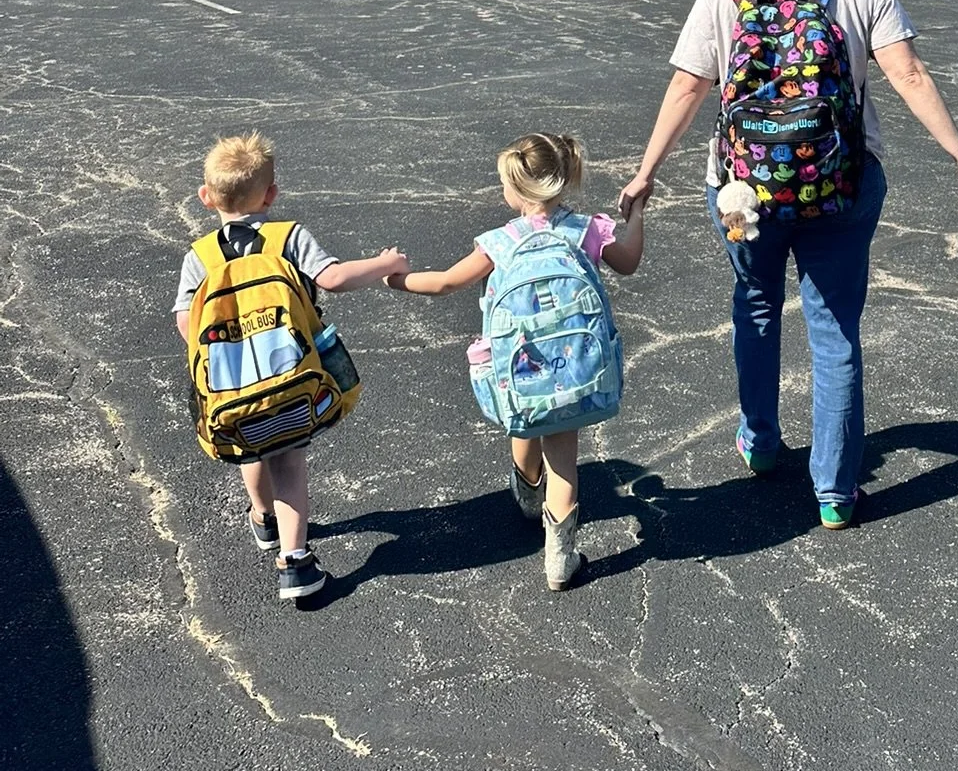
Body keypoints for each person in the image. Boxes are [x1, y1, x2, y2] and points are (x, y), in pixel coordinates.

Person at [618, 0, 958, 530]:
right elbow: (907, 74)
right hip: (841, 183)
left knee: (757, 306)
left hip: (742, 189)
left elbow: (688, 88)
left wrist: (647, 171)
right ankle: (834, 491)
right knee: (834, 329)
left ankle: (761, 441)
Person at [387, 134, 644, 589]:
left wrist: (398, 280)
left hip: (523, 367)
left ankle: (528, 492)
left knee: (524, 424)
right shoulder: (584, 230)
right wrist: (637, 215)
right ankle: (560, 559)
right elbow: (628, 262)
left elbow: (446, 282)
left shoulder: (500, 241)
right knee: (564, 458)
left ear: (520, 190)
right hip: (574, 368)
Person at [173, 132, 406, 604]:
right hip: (293, 376)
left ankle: (263, 519)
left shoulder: (200, 257)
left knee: (253, 448)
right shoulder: (287, 236)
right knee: (290, 461)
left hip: (232, 385)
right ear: (271, 195)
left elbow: (186, 322)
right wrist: (385, 263)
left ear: (206, 197)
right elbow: (333, 279)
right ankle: (295, 563)